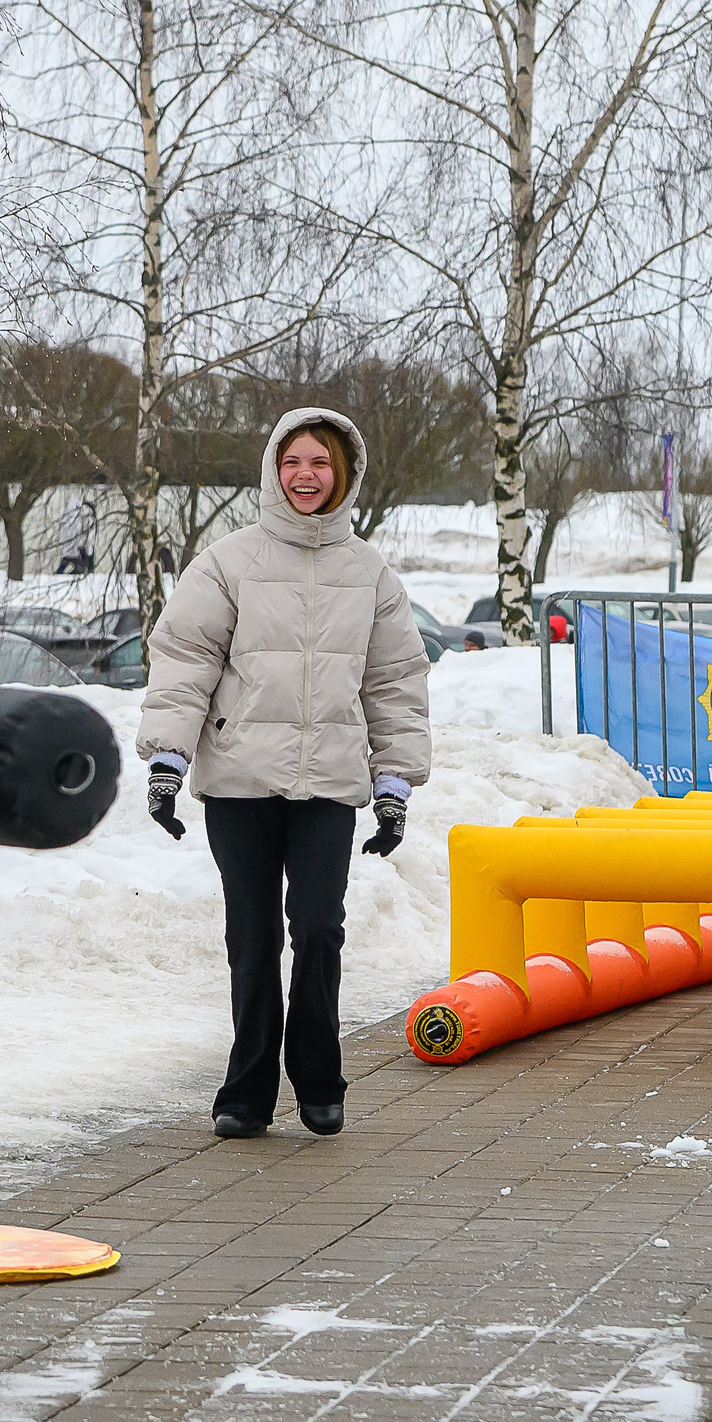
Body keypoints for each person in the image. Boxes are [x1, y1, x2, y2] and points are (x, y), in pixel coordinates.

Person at [136, 409, 431, 1139]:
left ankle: (320, 1078)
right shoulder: (229, 562)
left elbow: (396, 684)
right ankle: (246, 1092)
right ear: (274, 468)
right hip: (239, 782)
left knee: (320, 930)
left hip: (328, 785)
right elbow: (184, 664)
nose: (306, 475)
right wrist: (169, 761)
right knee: (254, 936)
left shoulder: (370, 575)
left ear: (345, 475)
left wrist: (393, 787)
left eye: (321, 464)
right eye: (293, 461)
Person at [55, 495, 96, 574]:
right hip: (76, 548)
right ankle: (85, 570)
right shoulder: (78, 519)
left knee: (68, 561)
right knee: (77, 562)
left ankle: (64, 571)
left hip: (71, 548)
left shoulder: (68, 518)